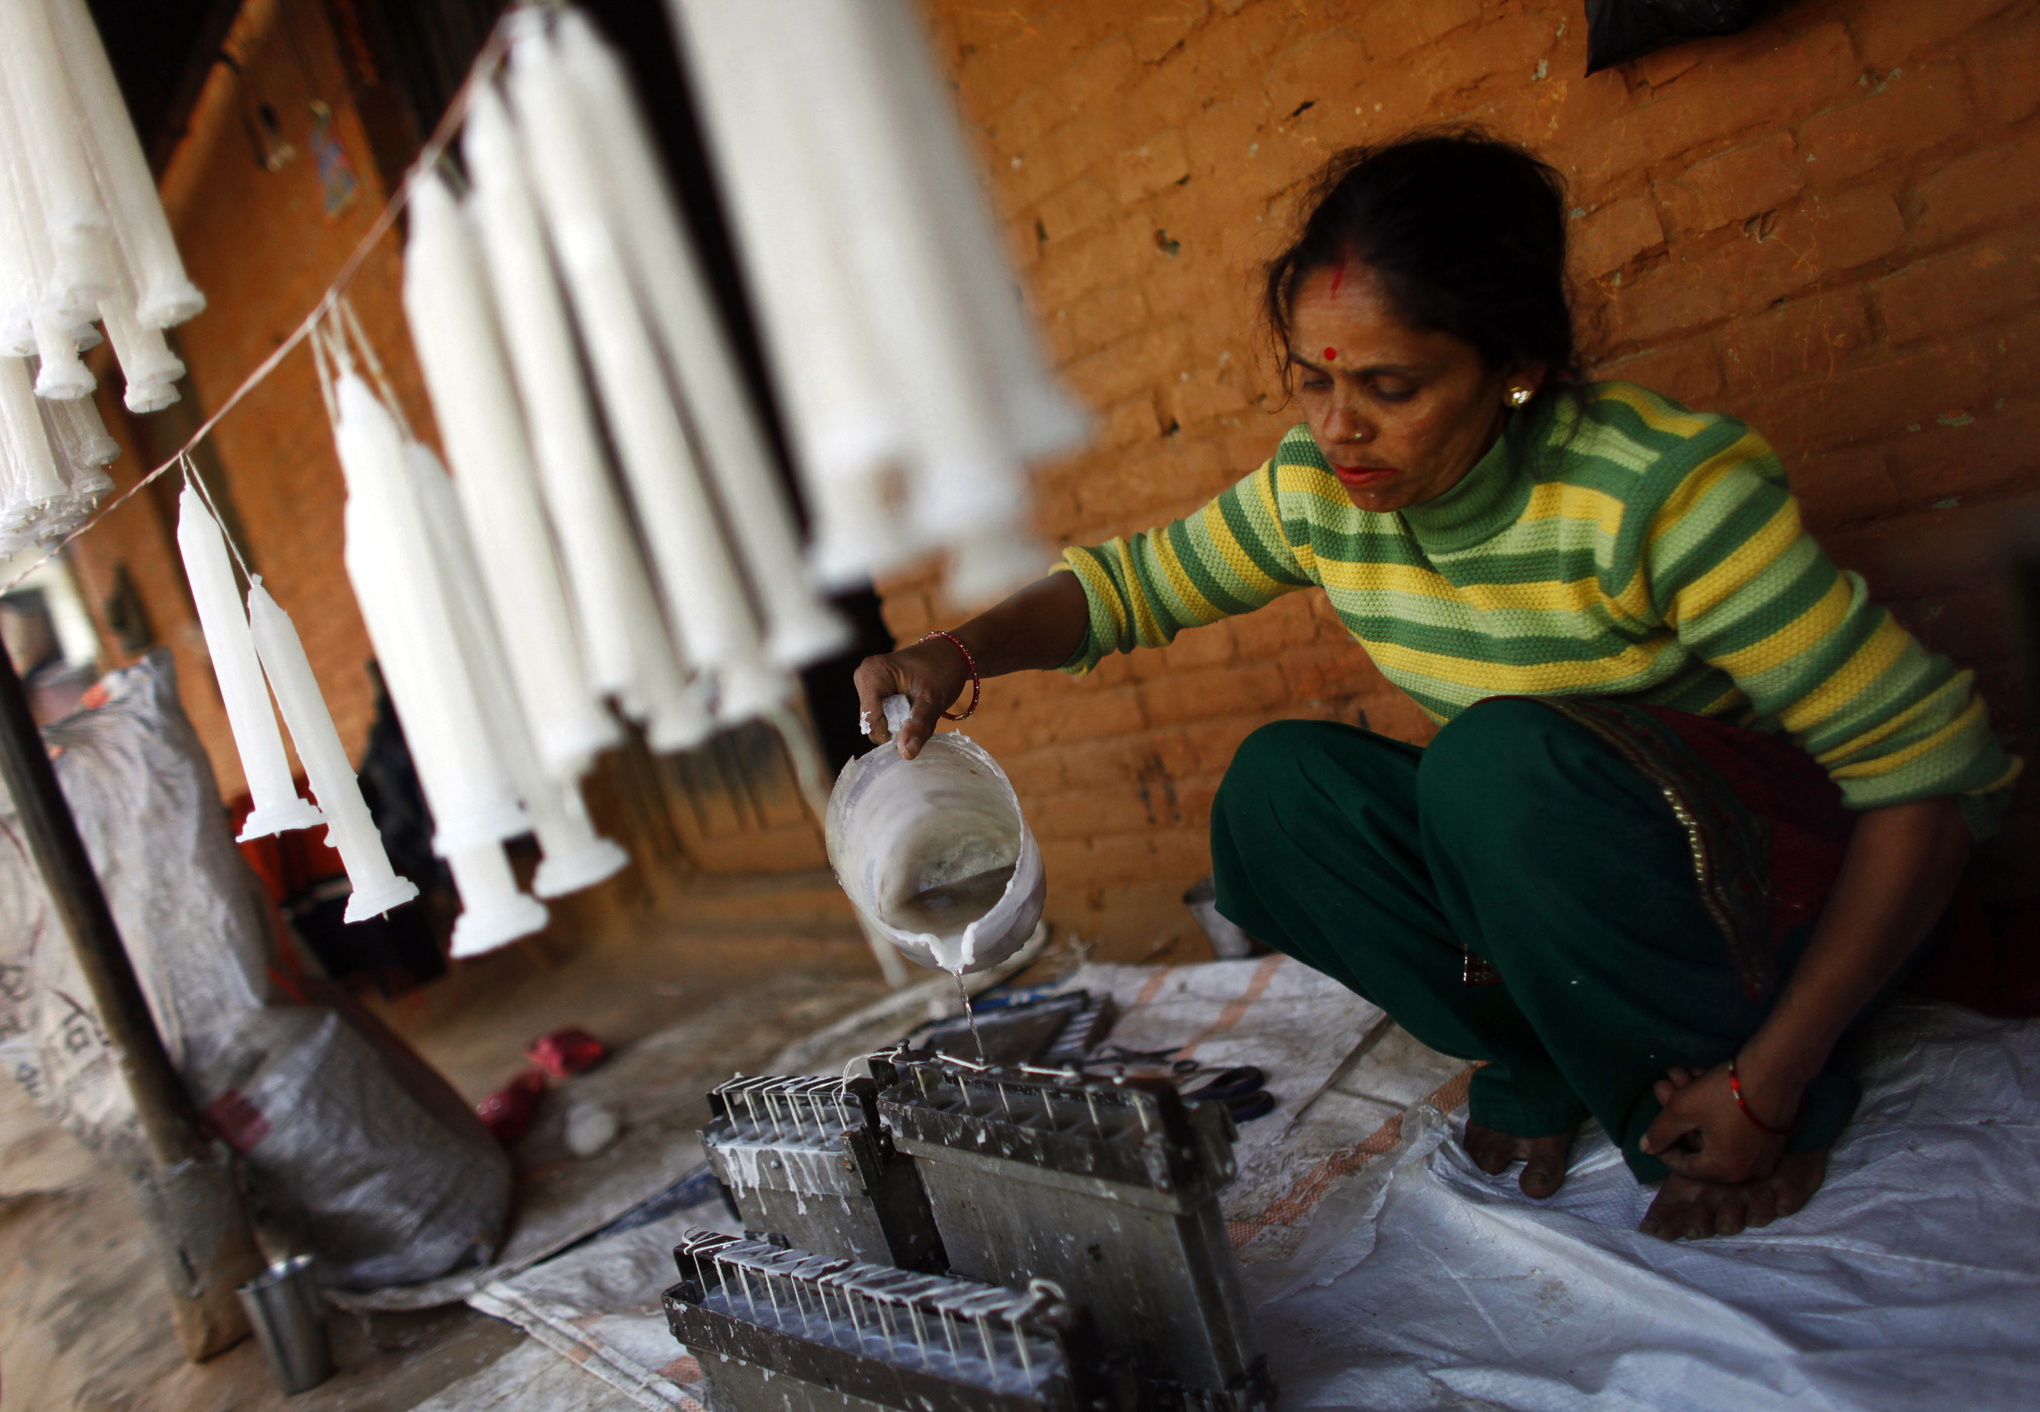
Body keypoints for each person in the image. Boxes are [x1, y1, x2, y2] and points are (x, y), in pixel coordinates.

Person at [853, 131, 2018, 1241]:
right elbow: (1125, 590)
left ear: (1518, 370)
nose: (1337, 427)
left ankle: (1744, 1098)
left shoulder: (1660, 495)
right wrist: (957, 652)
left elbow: (1932, 781)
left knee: (1497, 765)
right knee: (1279, 793)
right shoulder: (1318, 488)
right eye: (1310, 380)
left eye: (1393, 387)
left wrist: (1778, 1074)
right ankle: (1544, 1052)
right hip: (1572, 864)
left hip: (1752, 899)